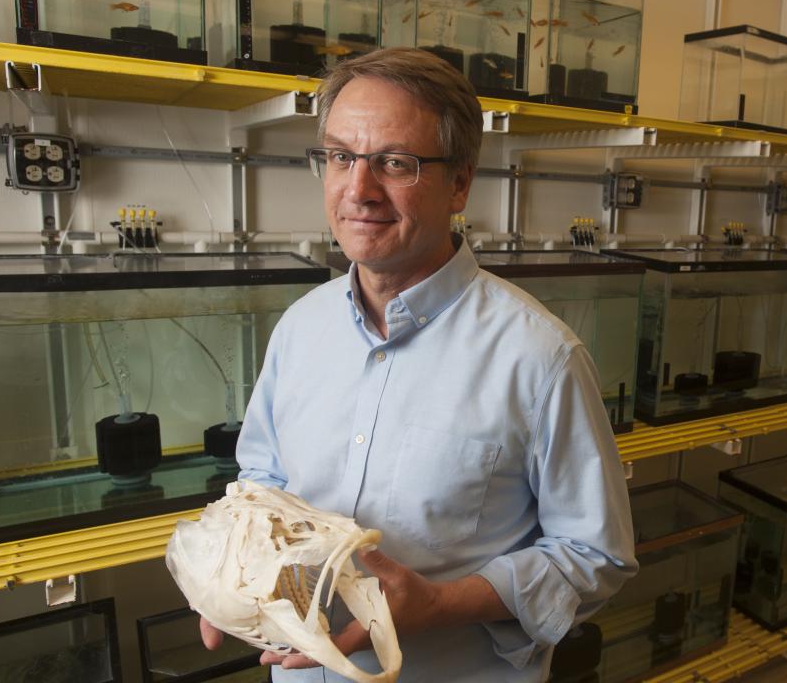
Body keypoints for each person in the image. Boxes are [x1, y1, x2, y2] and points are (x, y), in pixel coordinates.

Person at [199, 47, 637, 682]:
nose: (358, 190)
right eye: (341, 156)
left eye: (395, 163)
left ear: (460, 182)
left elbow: (595, 555)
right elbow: (261, 480)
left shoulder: (540, 358)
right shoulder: (300, 329)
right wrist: (223, 571)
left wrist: (438, 605)